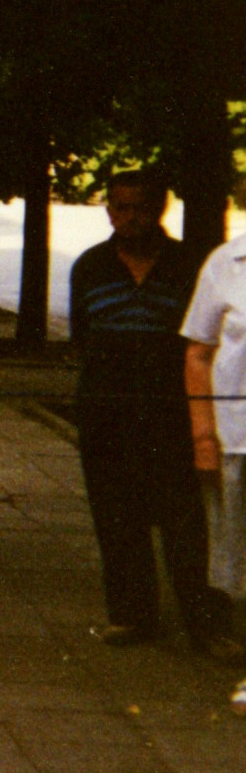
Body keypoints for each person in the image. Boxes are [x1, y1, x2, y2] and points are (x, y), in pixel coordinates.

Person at [71, 172, 237, 656]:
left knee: (187, 521)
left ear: (161, 207)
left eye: (139, 207)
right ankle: (131, 615)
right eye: (119, 207)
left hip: (172, 412)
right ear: (108, 211)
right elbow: (83, 337)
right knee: (116, 516)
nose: (129, 217)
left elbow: (203, 341)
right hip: (106, 411)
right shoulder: (91, 266)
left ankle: (206, 625)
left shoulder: (189, 265)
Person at [184, 222, 246, 650]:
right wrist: (204, 436)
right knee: (238, 559)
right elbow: (198, 353)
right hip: (239, 437)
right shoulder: (227, 262)